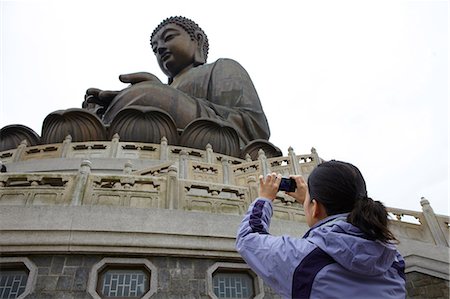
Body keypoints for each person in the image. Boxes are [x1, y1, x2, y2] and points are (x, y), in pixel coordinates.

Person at [83, 16, 271, 148]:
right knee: (85, 119)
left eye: (169, 37)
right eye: (155, 49)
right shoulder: (163, 87)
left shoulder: (222, 67)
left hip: (214, 140)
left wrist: (161, 96)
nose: (161, 49)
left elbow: (253, 127)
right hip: (156, 139)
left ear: (197, 40)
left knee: (147, 94)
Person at [236, 160, 406, 299]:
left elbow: (248, 237)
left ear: (315, 208)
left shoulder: (303, 259)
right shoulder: (392, 258)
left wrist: (264, 198)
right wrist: (310, 203)